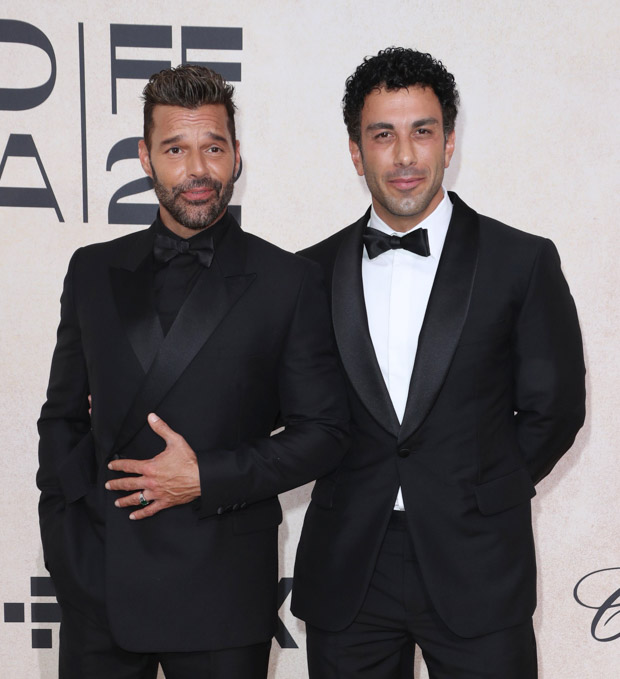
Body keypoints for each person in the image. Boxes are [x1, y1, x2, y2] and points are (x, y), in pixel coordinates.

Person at [36, 64, 348, 679]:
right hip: (100, 583)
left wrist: (207, 476)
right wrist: (65, 532)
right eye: (175, 149)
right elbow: (62, 414)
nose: (197, 170)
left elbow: (325, 433)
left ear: (237, 157)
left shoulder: (286, 282)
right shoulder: (93, 271)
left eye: (213, 147)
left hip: (222, 591)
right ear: (145, 159)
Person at [292, 47, 585, 679]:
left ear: (449, 142)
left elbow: (554, 409)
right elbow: (274, 399)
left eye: (422, 132)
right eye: (383, 135)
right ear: (355, 150)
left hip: (478, 562)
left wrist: (484, 494)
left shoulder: (521, 261)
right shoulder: (306, 274)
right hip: (349, 573)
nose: (403, 157)